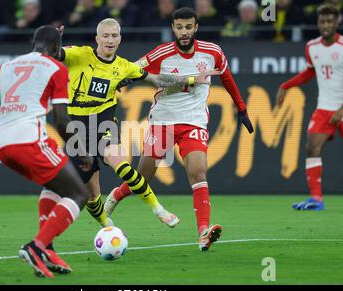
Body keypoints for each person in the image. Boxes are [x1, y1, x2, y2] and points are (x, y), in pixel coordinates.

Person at [104, 8, 254, 252]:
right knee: (143, 178)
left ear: (196, 28)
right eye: (179, 27)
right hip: (163, 121)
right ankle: (117, 195)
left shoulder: (212, 52)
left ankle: (203, 232)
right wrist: (121, 81)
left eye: (188, 27)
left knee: (199, 172)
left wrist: (242, 109)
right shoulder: (162, 53)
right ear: (173, 28)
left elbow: (227, 78)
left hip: (194, 121)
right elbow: (132, 69)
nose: (184, 32)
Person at [55, 18, 218, 229]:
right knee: (92, 195)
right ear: (97, 38)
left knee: (122, 165)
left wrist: (189, 80)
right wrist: (54, 43)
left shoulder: (124, 67)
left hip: (103, 125)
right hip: (75, 129)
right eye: (105, 36)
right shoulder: (79, 54)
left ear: (120, 39)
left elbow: (158, 80)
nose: (110, 40)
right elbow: (52, 55)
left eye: (114, 36)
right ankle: (107, 226)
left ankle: (159, 210)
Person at [0, 25, 93, 278]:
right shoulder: (57, 68)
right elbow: (60, 119)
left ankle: (47, 249)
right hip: (29, 138)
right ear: (57, 48)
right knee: (79, 194)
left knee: (55, 185)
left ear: (34, 43)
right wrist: (81, 149)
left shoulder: (9, 66)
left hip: (1, 144)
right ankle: (37, 246)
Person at [276, 4, 343, 211]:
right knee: (311, 147)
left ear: (337, 22)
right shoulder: (311, 47)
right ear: (318, 23)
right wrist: (285, 85)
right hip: (324, 107)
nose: (326, 25)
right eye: (322, 21)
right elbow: (309, 72)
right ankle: (316, 199)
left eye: (329, 21)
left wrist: (341, 110)